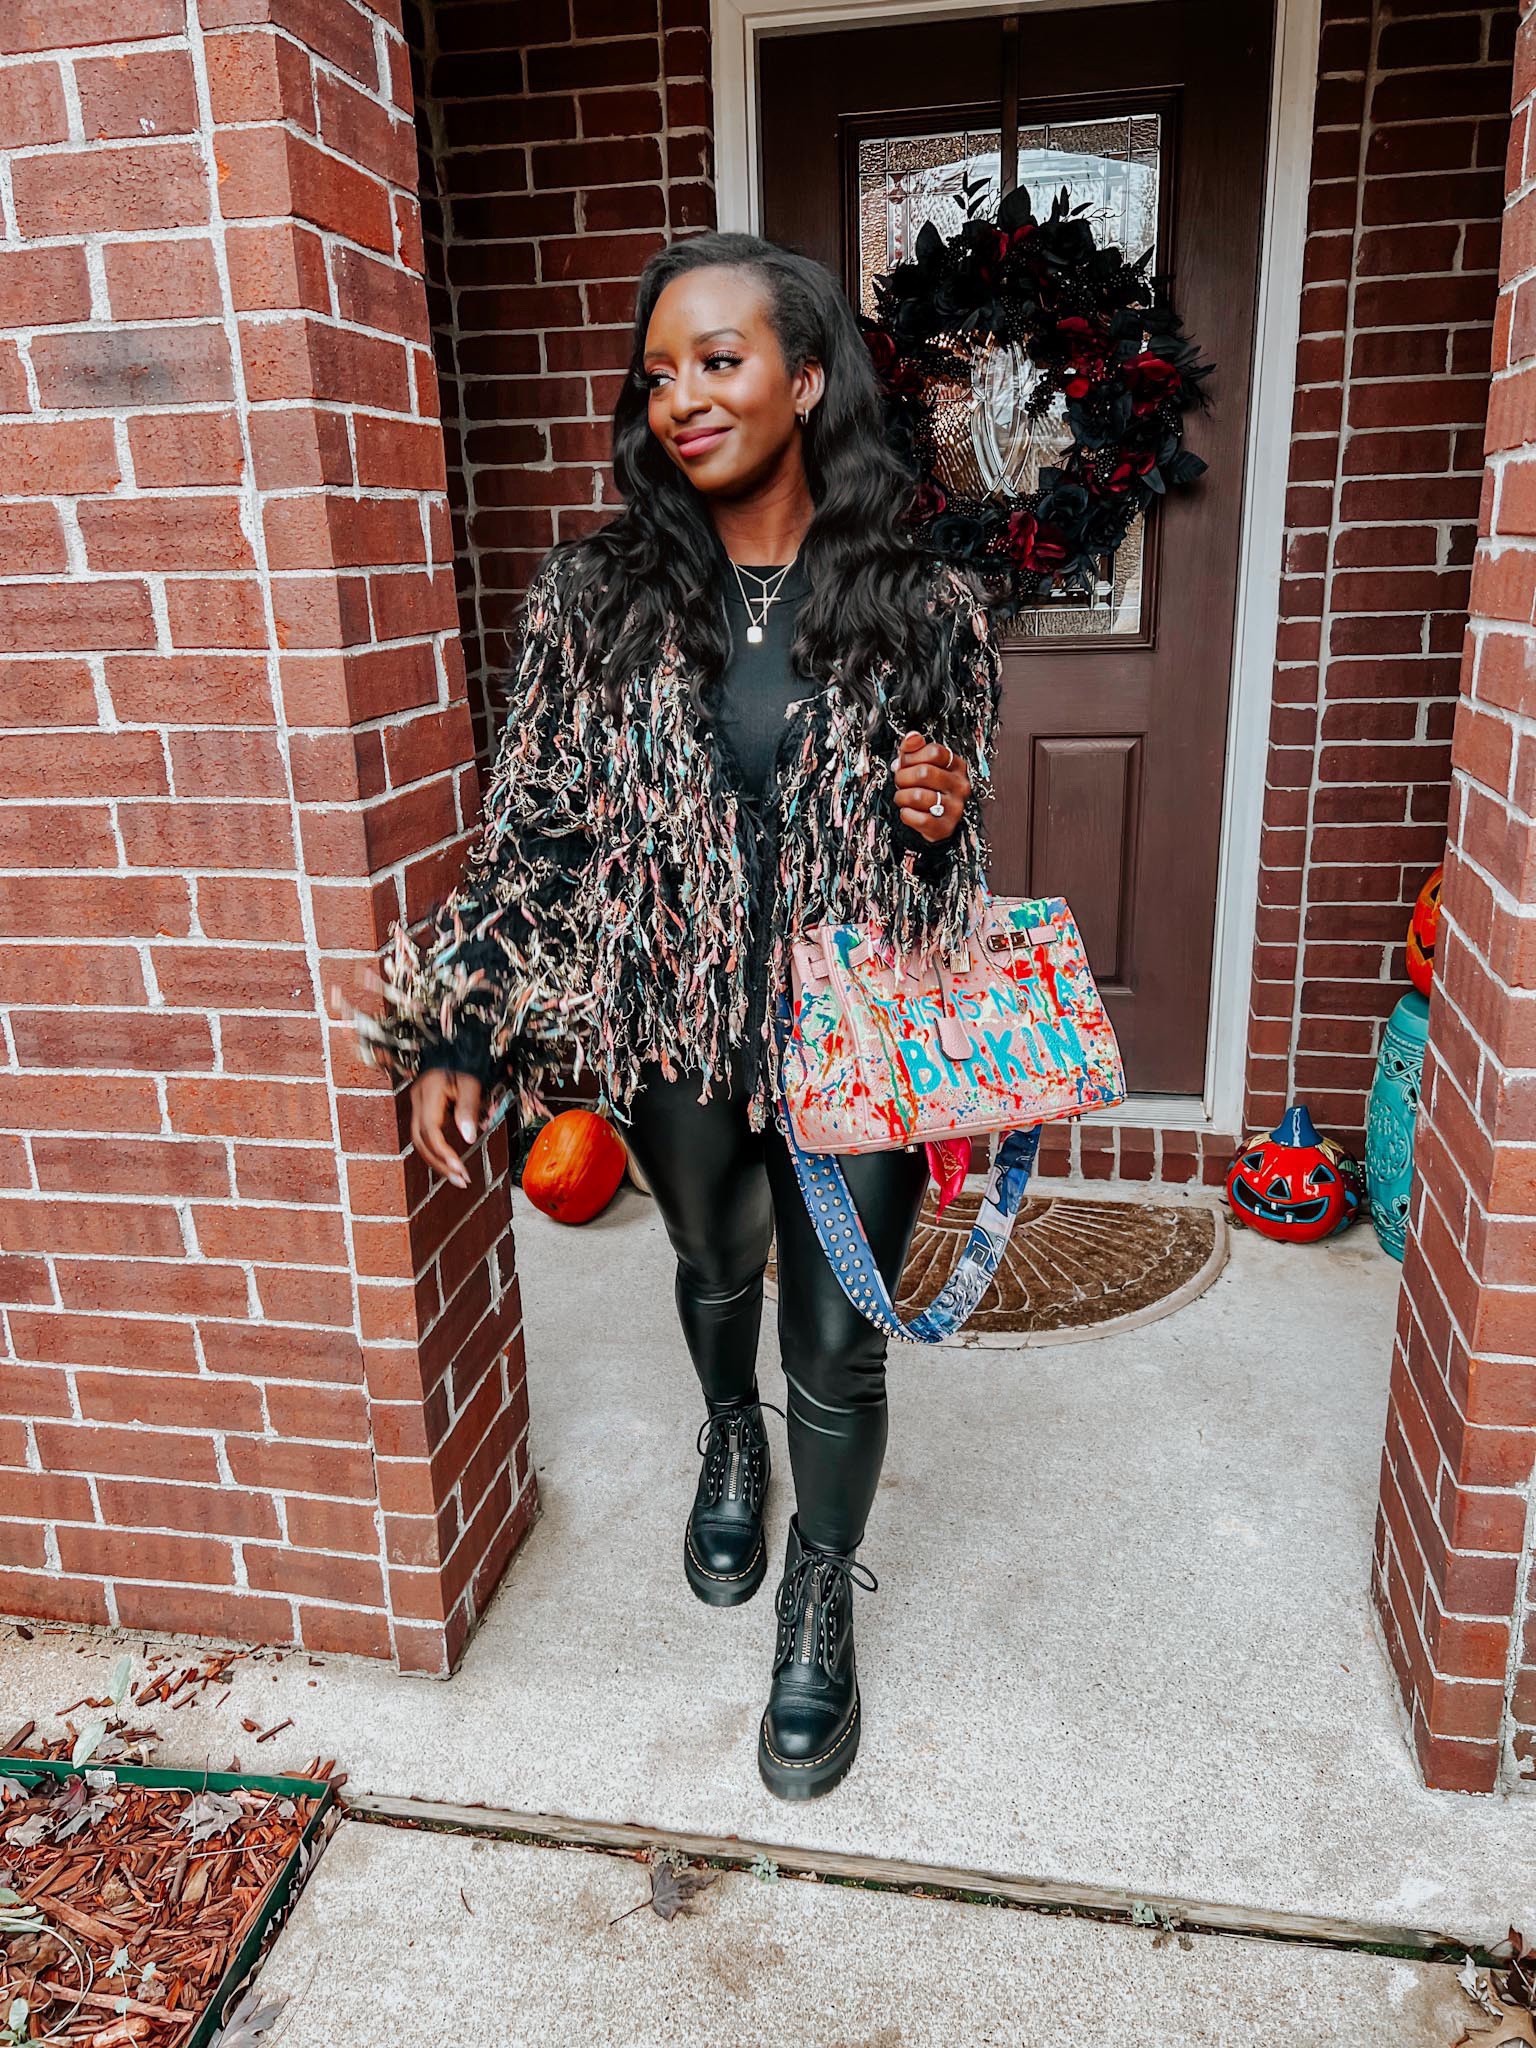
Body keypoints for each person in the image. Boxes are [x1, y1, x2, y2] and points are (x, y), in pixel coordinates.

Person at [366, 230, 1002, 1800]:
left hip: (854, 1033)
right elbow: (535, 834)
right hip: (671, 1018)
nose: (684, 399)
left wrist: (936, 832)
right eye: (660, 374)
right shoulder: (594, 596)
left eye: (719, 361)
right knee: (716, 1260)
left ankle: (818, 1592)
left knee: (838, 1338)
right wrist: (463, 1021)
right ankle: (731, 1430)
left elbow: (953, 879)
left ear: (806, 380)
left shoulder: (926, 604)